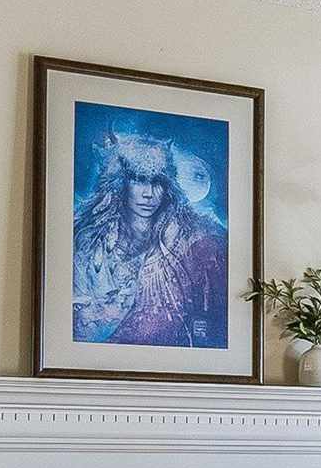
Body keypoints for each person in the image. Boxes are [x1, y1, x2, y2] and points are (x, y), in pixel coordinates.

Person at [71, 134, 228, 346]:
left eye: (157, 182)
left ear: (168, 187)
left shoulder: (189, 238)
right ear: (119, 185)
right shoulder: (88, 242)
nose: (149, 194)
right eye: (138, 180)